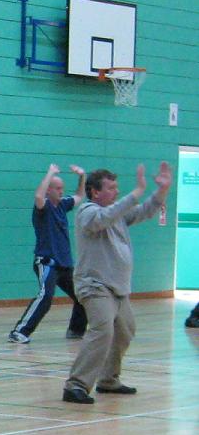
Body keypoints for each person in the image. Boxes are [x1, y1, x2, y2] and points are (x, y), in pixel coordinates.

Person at [62, 163, 173, 404]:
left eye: (117, 188)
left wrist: (162, 190)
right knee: (102, 329)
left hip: (117, 288)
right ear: (94, 192)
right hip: (95, 285)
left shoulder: (117, 214)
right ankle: (75, 385)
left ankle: (108, 380)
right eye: (111, 188)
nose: (116, 192)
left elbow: (146, 210)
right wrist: (136, 192)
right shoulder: (87, 212)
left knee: (125, 330)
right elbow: (105, 217)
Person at [9, 163, 88, 344]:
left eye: (62, 188)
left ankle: (76, 330)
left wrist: (82, 176)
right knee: (46, 295)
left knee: (82, 295)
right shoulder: (42, 208)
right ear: (49, 190)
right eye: (58, 188)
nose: (61, 192)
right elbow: (38, 195)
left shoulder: (63, 205)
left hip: (65, 264)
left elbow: (79, 196)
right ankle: (19, 332)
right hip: (47, 262)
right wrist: (50, 173)